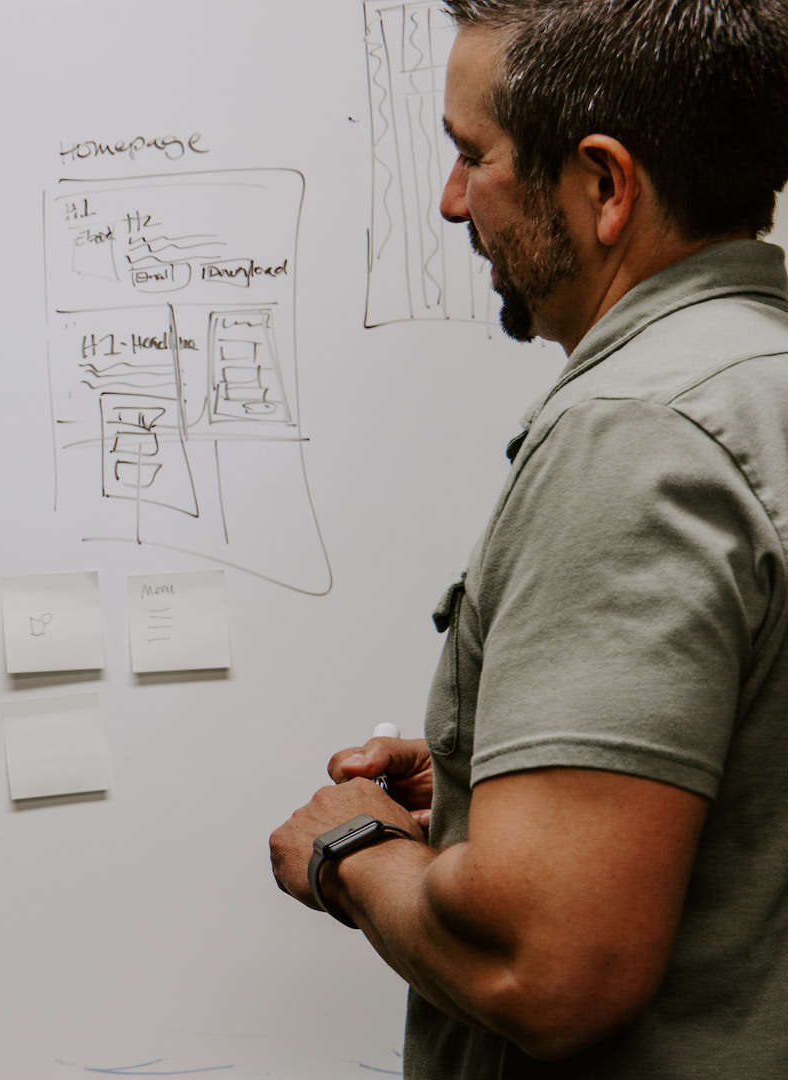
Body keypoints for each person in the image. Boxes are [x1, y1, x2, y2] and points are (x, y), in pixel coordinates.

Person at [268, 0, 788, 1076]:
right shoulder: (759, 379)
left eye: (474, 155)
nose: (453, 200)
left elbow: (549, 971)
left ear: (604, 184)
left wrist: (347, 850)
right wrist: (484, 780)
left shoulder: (639, 432)